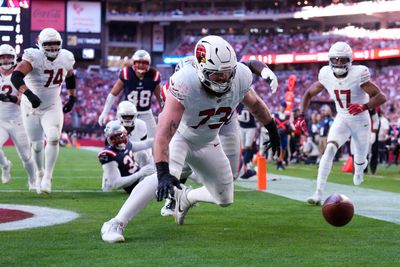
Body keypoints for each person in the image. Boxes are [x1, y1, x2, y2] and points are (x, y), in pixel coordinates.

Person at [100, 35, 280, 243]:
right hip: (181, 137)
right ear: (202, 71)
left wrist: (272, 128)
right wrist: (162, 170)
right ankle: (116, 222)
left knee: (224, 198)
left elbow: (256, 104)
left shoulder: (239, 75)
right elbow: (163, 133)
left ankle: (185, 198)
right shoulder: (185, 83)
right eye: (216, 74)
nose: (223, 78)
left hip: (209, 141)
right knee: (166, 175)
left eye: (226, 73)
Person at [294, 41, 386, 205]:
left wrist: (364, 106)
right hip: (342, 117)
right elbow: (308, 93)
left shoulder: (359, 74)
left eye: (342, 59)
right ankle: (318, 193)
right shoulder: (325, 74)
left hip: (361, 119)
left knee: (359, 158)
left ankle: (359, 169)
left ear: (349, 60)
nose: (338, 63)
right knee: (329, 149)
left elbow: (381, 97)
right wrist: (301, 115)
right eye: (335, 59)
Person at [11, 28, 77, 194]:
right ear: (40, 44)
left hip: (52, 105)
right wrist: (29, 94)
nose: (53, 47)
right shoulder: (33, 56)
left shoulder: (66, 57)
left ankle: (48, 176)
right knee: (37, 145)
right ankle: (39, 173)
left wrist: (72, 97)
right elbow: (16, 76)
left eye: (55, 44)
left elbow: (69, 76)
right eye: (48, 44)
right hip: (30, 106)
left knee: (54, 137)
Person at [98, 49, 161, 138]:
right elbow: (113, 94)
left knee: (153, 141)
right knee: (122, 139)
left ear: (148, 64)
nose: (140, 65)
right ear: (133, 63)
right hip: (127, 113)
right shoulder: (127, 73)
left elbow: (160, 99)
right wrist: (105, 112)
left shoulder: (154, 75)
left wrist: (164, 115)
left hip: (146, 113)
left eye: (144, 63)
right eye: (138, 62)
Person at [0, 44, 36, 189]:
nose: (6, 60)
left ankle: (33, 180)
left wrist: (9, 98)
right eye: (3, 57)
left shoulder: (21, 74)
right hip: (1, 120)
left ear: (14, 57)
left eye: (9, 56)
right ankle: (5, 165)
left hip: (18, 119)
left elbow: (24, 99)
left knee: (26, 156)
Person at [98, 120, 155, 193]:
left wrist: (162, 139)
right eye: (115, 137)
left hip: (140, 176)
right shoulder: (109, 154)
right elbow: (116, 183)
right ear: (109, 138)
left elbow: (146, 144)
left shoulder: (127, 144)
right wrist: (140, 173)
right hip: (134, 184)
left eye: (122, 136)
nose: (120, 139)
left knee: (144, 154)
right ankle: (106, 183)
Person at [237, 102, 257, 179]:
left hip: (250, 127)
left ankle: (244, 164)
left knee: (248, 147)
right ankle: (243, 164)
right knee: (242, 148)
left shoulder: (248, 103)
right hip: (243, 127)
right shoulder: (241, 103)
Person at [274, 102, 292, 170]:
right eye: (282, 106)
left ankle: (280, 162)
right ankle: (279, 163)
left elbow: (289, 125)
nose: (282, 108)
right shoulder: (275, 115)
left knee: (284, 148)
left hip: (284, 134)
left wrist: (289, 128)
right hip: (278, 133)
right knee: (280, 148)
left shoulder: (287, 116)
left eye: (284, 107)